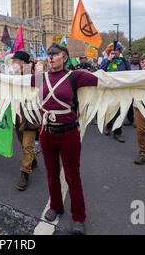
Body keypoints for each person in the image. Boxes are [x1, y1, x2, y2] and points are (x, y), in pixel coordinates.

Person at [32, 43, 99, 235]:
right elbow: (12, 83)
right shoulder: (40, 78)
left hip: (69, 133)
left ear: (65, 58)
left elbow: (107, 81)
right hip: (46, 132)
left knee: (72, 177)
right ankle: (55, 205)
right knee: (51, 172)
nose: (51, 57)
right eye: (49, 54)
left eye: (55, 54)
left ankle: (79, 217)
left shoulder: (75, 76)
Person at [11, 51, 39, 191]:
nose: (12, 64)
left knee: (27, 145)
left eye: (14, 61)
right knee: (23, 143)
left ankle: (25, 173)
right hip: (18, 114)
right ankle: (32, 160)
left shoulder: (35, 76)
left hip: (31, 114)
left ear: (22, 62)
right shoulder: (14, 76)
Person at [100, 42, 131, 143]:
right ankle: (108, 127)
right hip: (108, 90)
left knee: (119, 112)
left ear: (120, 51)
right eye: (112, 51)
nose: (115, 52)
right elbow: (100, 71)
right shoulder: (105, 60)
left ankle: (117, 132)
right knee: (109, 110)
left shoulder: (124, 61)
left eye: (117, 50)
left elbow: (129, 73)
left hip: (120, 90)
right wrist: (108, 60)